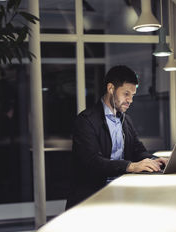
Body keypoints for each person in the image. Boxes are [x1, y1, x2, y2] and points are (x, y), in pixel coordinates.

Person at [66, 65, 168, 209]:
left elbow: (138, 151)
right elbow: (92, 162)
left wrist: (154, 160)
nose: (130, 100)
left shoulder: (126, 120)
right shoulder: (86, 120)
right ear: (111, 89)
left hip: (122, 192)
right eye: (126, 94)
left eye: (132, 95)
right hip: (92, 198)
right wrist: (130, 166)